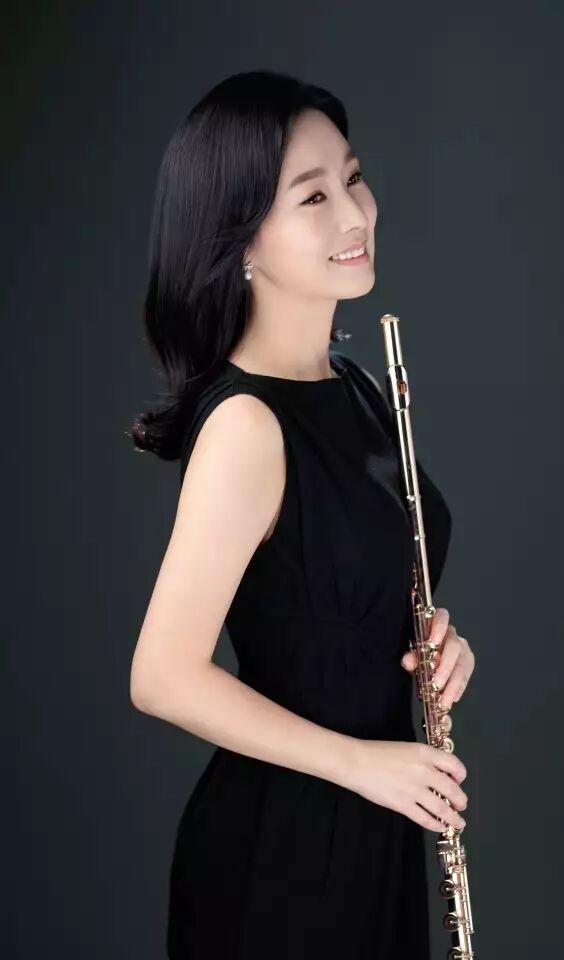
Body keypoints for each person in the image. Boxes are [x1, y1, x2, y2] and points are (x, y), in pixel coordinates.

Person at [129, 69, 476, 959]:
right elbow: (162, 675)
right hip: (283, 852)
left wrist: (439, 644)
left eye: (353, 178)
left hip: (375, 822)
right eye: (313, 196)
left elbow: (343, 597)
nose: (355, 214)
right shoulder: (247, 425)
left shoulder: (356, 388)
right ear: (240, 236)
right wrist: (361, 765)